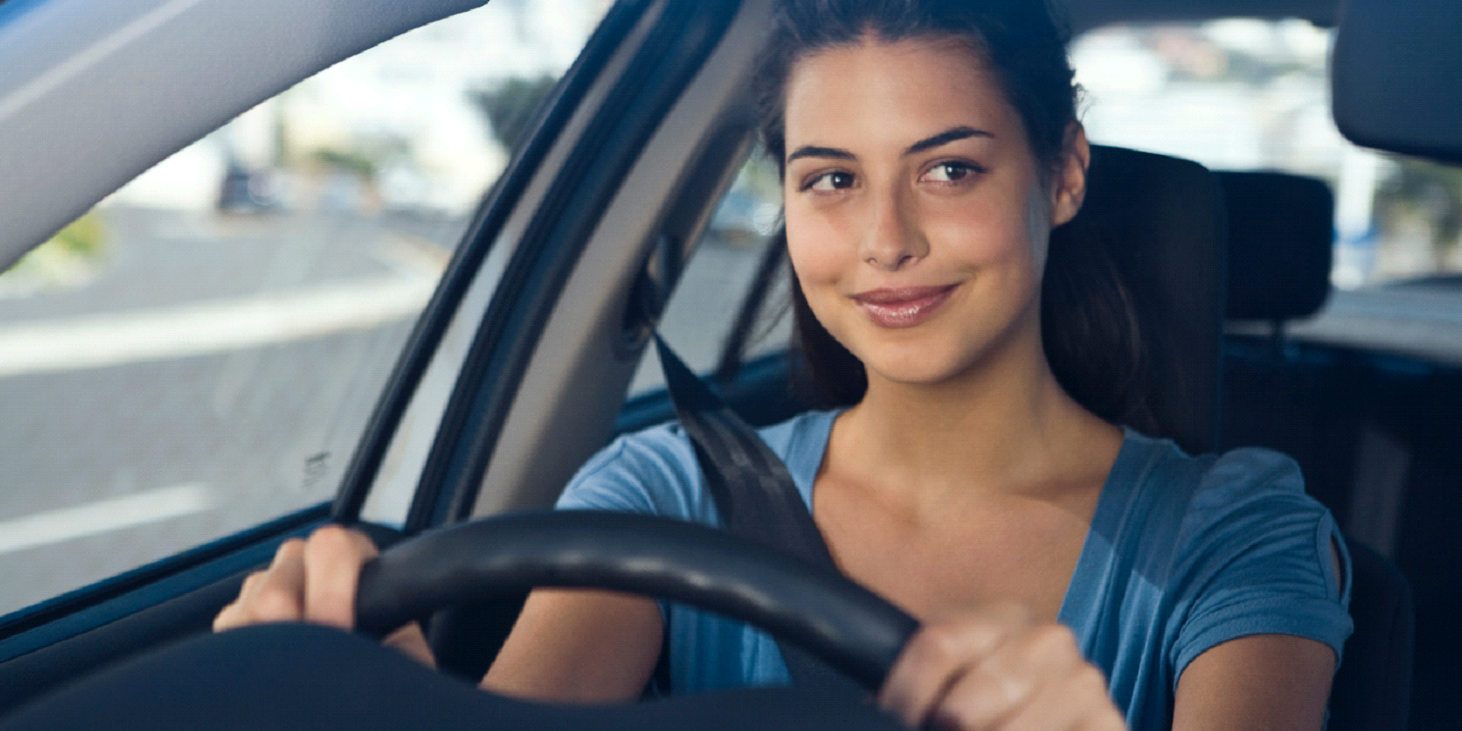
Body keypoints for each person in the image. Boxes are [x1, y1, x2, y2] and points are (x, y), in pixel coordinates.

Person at [214, 1, 1353, 729]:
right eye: (831, 179)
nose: (885, 240)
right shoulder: (663, 494)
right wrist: (379, 692)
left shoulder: (1233, 531)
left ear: (1060, 174)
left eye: (948, 171)